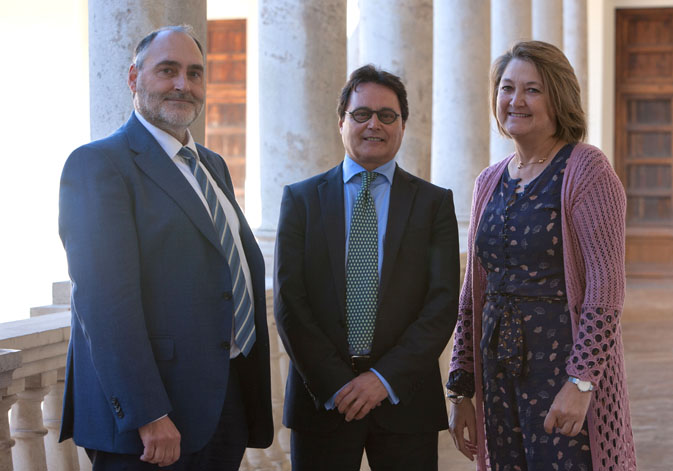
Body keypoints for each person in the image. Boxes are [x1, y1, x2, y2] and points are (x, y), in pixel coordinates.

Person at [58, 25, 273, 470]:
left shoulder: (211, 164)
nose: (183, 84)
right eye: (167, 70)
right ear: (134, 79)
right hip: (154, 420)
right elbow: (103, 303)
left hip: (221, 401)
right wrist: (148, 412)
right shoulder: (99, 164)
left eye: (195, 74)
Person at [447, 40, 638, 471]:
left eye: (532, 89)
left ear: (558, 97)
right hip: (499, 373)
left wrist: (581, 382)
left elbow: (606, 288)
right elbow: (471, 296)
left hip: (561, 368)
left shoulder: (587, 170)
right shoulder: (488, 181)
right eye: (507, 87)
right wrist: (461, 390)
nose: (515, 100)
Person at [273, 64, 460, 471]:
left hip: (405, 401)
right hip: (322, 400)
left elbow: (442, 304)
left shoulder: (434, 205)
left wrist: (383, 379)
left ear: (402, 125)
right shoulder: (301, 201)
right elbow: (290, 302)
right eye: (361, 114)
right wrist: (336, 383)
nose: (373, 124)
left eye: (387, 115)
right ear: (341, 122)